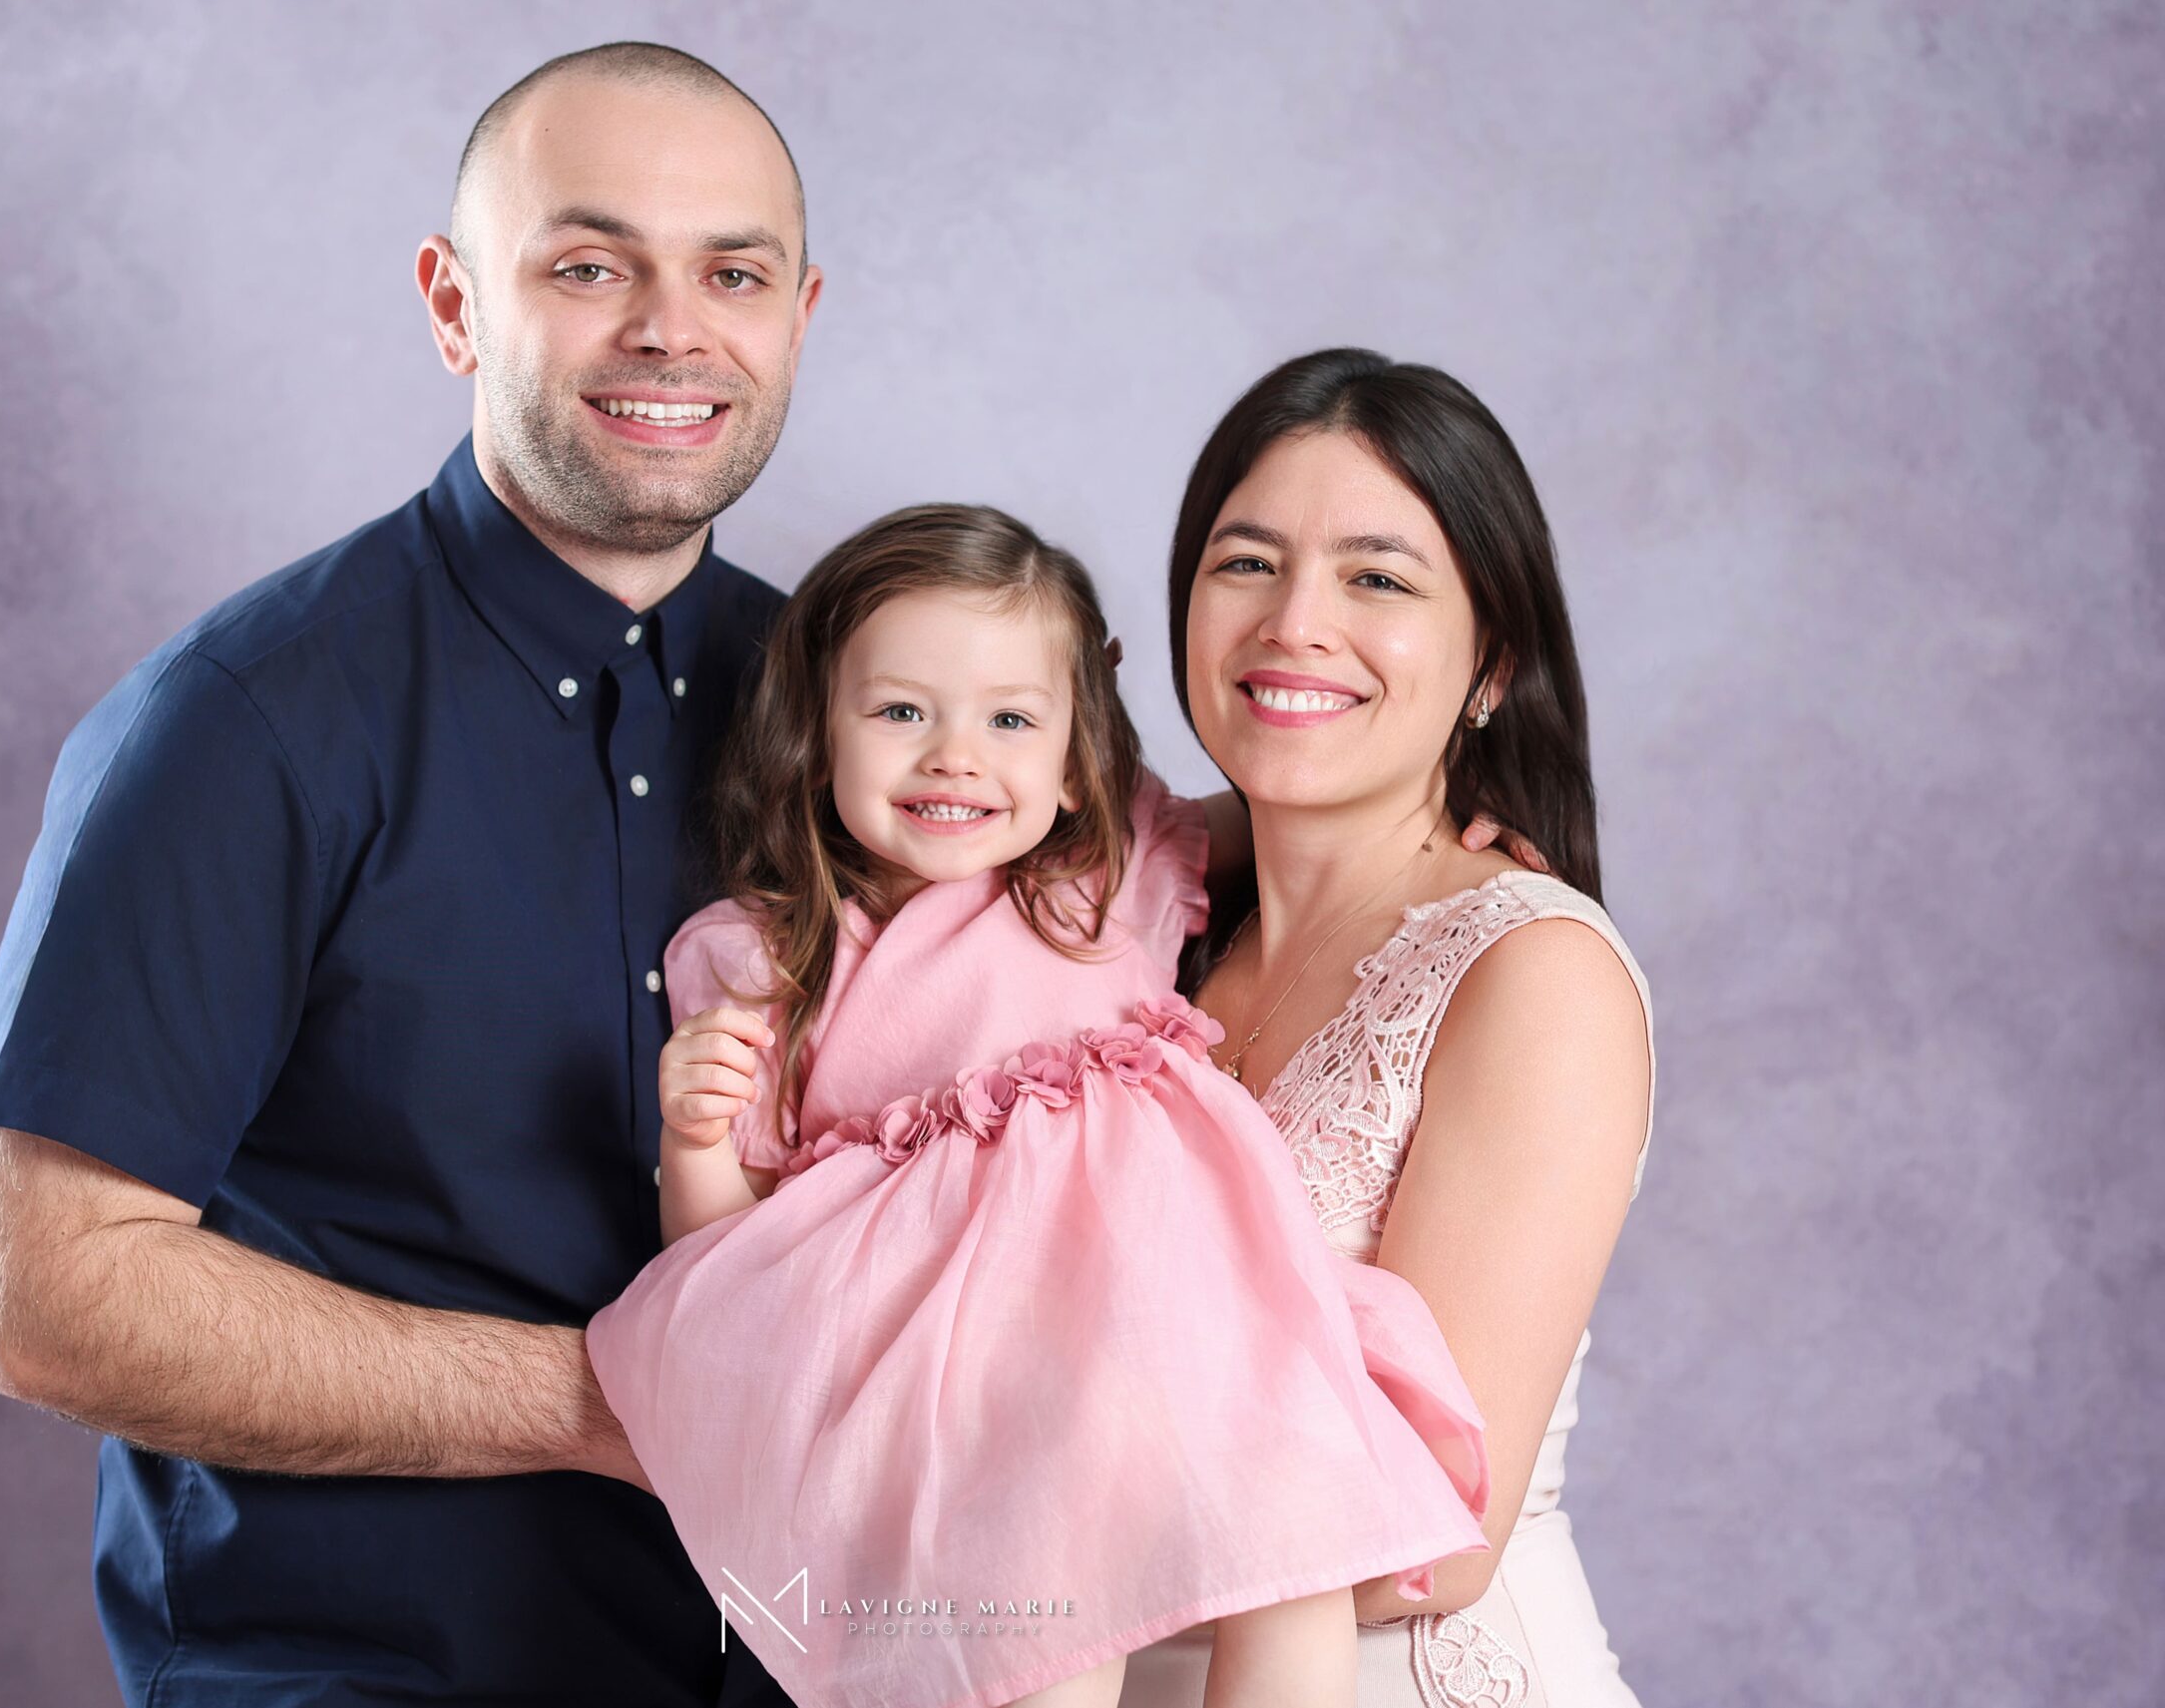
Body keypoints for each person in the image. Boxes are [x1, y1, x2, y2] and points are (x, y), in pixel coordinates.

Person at [0, 43, 825, 1705]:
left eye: (733, 271)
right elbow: (46, 1291)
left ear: (799, 311)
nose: (670, 326)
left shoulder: (846, 708)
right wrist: (608, 1401)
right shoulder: (243, 725)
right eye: (588, 264)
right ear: (453, 304)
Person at [586, 503, 1499, 1708]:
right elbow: (726, 1271)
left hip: (1176, 1312)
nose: (957, 757)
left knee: (1298, 1556)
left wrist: (1418, 833)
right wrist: (695, 1141)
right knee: (1040, 1626)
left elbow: (1303, 823)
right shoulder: (764, 959)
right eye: (902, 712)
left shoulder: (1105, 870)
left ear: (1076, 763)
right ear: (814, 736)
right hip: (966, 1382)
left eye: (1011, 720)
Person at [1113, 350, 1656, 1703]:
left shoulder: (1530, 971)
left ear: (1492, 666)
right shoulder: (1136, 932)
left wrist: (973, 1536)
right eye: (1246, 563)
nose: (1296, 622)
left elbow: (1433, 1527)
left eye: (1377, 578)